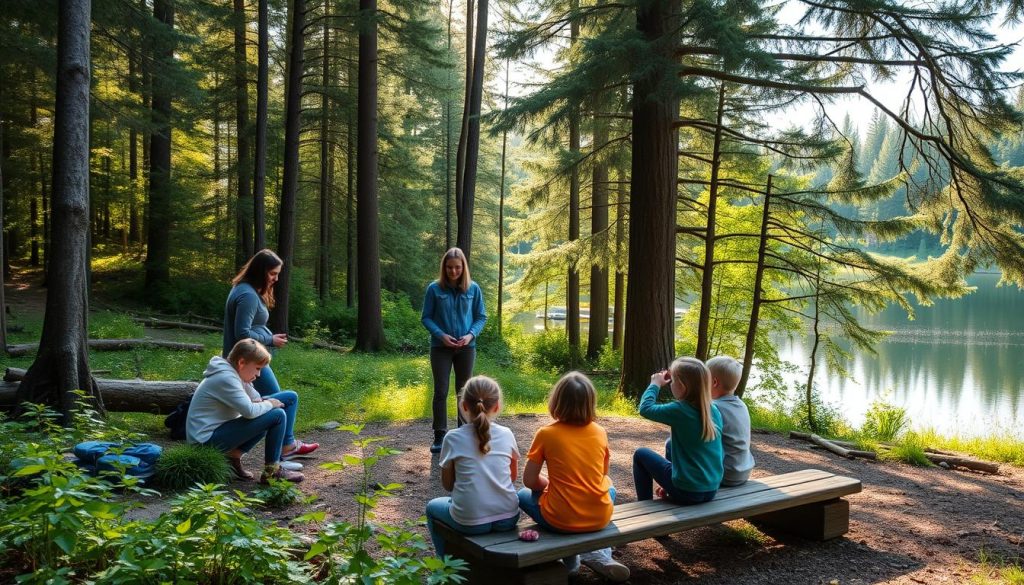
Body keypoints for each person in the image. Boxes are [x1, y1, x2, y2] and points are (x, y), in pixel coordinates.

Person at [517, 372, 630, 582]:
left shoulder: (546, 433)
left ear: (556, 401)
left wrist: (549, 484)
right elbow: (602, 475)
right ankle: (596, 556)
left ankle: (570, 562)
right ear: (591, 403)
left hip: (560, 520)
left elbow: (530, 481)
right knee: (610, 487)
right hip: (599, 517)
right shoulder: (600, 431)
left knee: (523, 494)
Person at [186, 339, 317, 483]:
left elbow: (256, 399)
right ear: (242, 363)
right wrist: (269, 404)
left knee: (289, 397)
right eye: (258, 368)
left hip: (218, 431)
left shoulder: (233, 371)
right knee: (277, 415)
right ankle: (272, 471)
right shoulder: (225, 378)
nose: (259, 374)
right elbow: (249, 411)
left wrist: (256, 394)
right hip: (205, 441)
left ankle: (233, 457)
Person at [424, 376, 520, 558]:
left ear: (464, 405)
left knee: (432, 507)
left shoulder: (452, 438)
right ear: (497, 406)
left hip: (469, 521)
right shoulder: (507, 434)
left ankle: (442, 564)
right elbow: (512, 477)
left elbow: (448, 486)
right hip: (508, 517)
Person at [421, 247, 487, 453]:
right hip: (440, 348)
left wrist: (470, 335)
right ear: (444, 267)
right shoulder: (434, 289)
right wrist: (441, 335)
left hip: (467, 348)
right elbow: (426, 317)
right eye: (449, 267)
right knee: (440, 391)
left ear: (463, 267)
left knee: (464, 392)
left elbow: (481, 317)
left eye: (457, 267)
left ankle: (463, 432)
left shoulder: (473, 289)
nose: (453, 271)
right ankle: (440, 435)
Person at [633, 357, 723, 504]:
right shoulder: (712, 409)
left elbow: (645, 409)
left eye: (673, 381)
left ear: (682, 386)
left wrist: (655, 384)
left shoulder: (680, 410)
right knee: (671, 443)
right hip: (710, 490)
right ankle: (670, 488)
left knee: (640, 454)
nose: (671, 384)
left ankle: (644, 504)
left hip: (687, 493)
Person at [224, 249, 289, 397]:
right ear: (259, 272)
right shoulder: (248, 295)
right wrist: (270, 339)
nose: (276, 278)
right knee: (276, 398)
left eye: (277, 273)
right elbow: (242, 334)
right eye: (273, 273)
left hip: (248, 358)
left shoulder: (244, 289)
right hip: (247, 359)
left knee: (256, 402)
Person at [706, 355, 754, 486]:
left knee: (672, 444)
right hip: (743, 471)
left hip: (725, 475)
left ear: (714, 383)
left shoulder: (713, 408)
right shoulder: (741, 405)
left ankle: (676, 485)